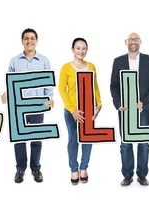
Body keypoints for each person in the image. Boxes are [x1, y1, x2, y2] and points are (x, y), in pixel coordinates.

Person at [1, 28, 54, 184]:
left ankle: (36, 168)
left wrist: (49, 99)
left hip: (37, 106)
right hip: (19, 106)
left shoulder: (44, 60)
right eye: (26, 38)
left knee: (37, 138)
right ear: (22, 41)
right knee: (19, 139)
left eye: (32, 38)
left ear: (36, 41)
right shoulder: (14, 61)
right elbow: (9, 82)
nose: (29, 41)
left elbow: (48, 83)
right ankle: (20, 169)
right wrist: (6, 95)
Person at [110, 32, 149, 186]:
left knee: (144, 143)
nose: (133, 42)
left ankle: (142, 175)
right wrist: (118, 104)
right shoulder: (118, 61)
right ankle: (127, 175)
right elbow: (113, 85)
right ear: (126, 42)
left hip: (143, 109)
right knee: (126, 143)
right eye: (130, 39)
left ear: (140, 42)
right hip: (124, 110)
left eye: (136, 39)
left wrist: (143, 102)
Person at [58, 37, 102, 185]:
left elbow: (95, 86)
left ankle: (84, 168)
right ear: (72, 50)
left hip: (88, 110)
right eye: (78, 48)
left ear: (87, 50)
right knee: (73, 139)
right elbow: (62, 90)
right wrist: (73, 110)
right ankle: (74, 169)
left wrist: (98, 104)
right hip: (71, 112)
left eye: (84, 48)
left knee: (88, 139)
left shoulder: (91, 66)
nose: (81, 51)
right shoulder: (66, 68)